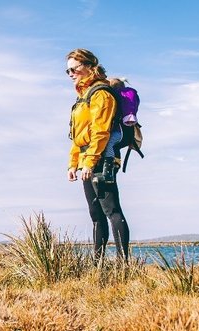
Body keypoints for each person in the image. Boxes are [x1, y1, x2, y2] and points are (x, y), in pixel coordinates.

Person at [66, 49, 130, 260]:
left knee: (112, 210)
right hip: (87, 160)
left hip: (102, 158)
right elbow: (78, 136)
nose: (71, 74)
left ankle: (123, 266)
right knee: (96, 215)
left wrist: (90, 162)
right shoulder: (82, 97)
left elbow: (101, 131)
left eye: (74, 69)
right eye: (67, 71)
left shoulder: (100, 94)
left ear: (89, 66)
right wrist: (73, 164)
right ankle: (98, 265)